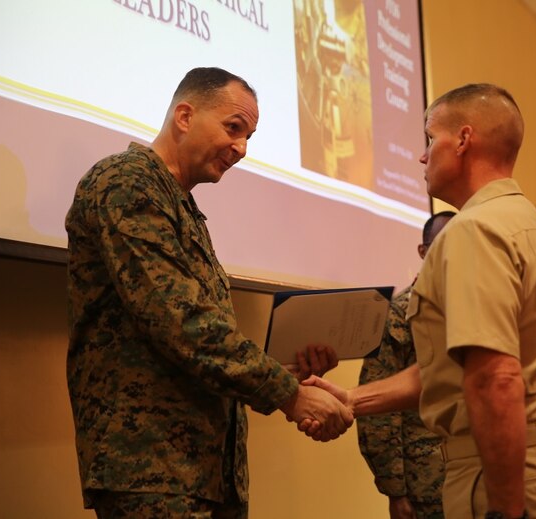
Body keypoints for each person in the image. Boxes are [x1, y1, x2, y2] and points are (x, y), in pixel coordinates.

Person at [302, 83, 536, 519]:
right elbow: (457, 369)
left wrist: (506, 510)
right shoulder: (534, 227)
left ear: (464, 140)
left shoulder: (473, 231)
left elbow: (494, 380)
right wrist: (352, 400)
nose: (422, 155)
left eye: (431, 138)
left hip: (516, 480)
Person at [65, 67, 353, 518]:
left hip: (204, 472)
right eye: (233, 128)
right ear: (184, 115)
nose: (241, 148)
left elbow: (190, 334)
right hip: (151, 468)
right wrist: (289, 396)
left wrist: (286, 371)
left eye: (249, 137)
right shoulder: (126, 182)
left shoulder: (180, 204)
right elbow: (179, 321)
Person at [358, 210, 455, 519]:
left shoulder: (472, 303)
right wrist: (395, 490)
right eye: (443, 244)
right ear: (423, 251)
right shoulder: (401, 313)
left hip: (475, 469)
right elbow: (379, 410)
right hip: (425, 481)